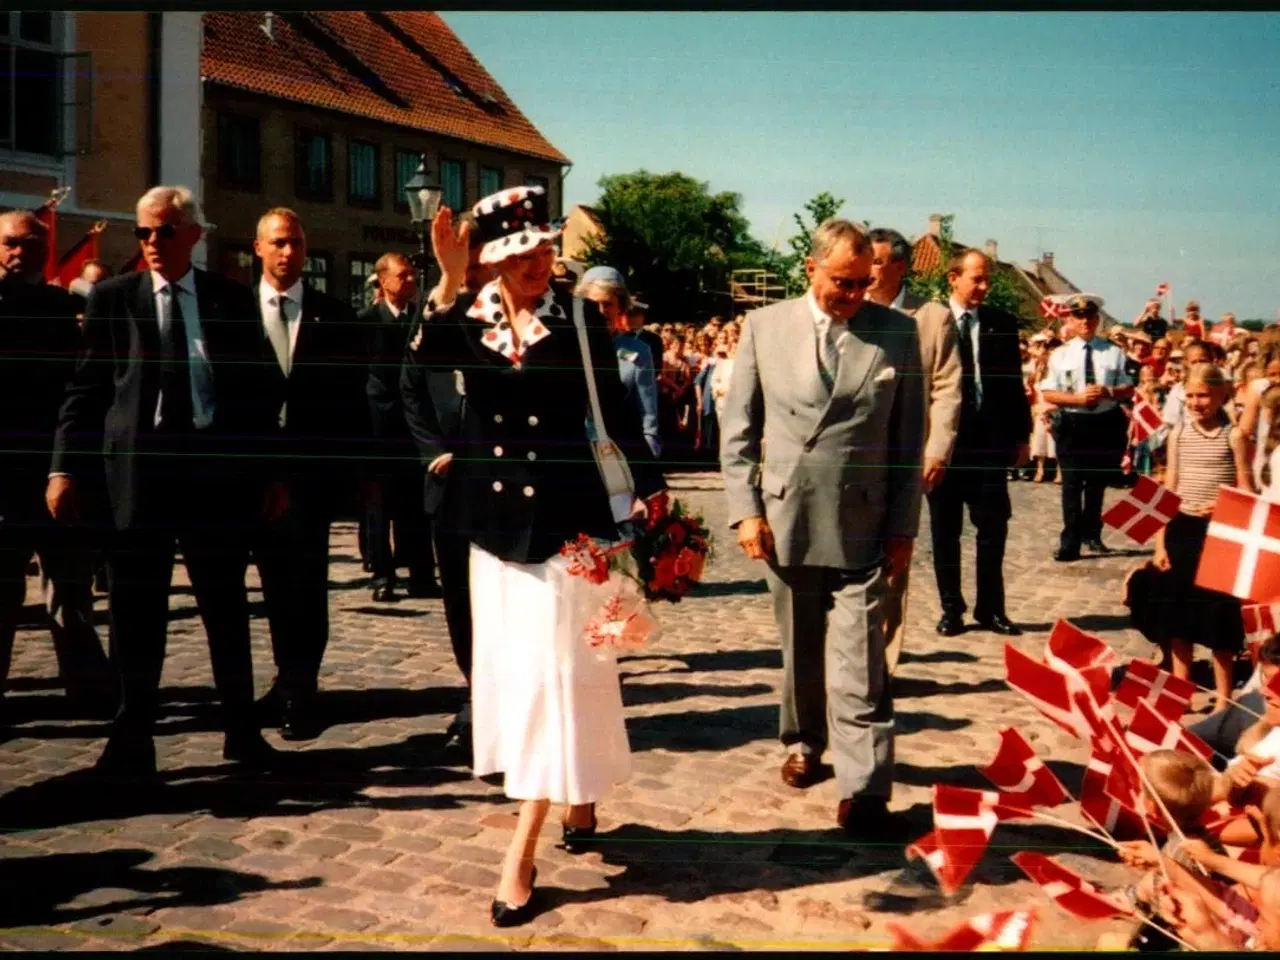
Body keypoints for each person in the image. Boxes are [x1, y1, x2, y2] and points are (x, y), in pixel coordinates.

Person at [411, 185, 665, 926]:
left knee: (564, 675)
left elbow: (614, 415)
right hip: (492, 533)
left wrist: (650, 490)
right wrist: (450, 282)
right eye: (520, 251)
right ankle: (576, 799)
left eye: (544, 247)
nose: (536, 262)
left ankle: (518, 853)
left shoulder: (582, 321)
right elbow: (424, 362)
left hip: (569, 528)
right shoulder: (466, 319)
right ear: (492, 258)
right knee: (529, 681)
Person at [47, 186, 282, 776]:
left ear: (195, 235)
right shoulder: (113, 299)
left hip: (212, 474)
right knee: (136, 611)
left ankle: (242, 733)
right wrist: (61, 467)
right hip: (140, 475)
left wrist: (272, 470)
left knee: (225, 607)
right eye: (144, 232)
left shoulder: (231, 300)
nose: (152, 243)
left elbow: (258, 395)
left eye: (165, 232)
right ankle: (132, 739)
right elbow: (85, 390)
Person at [720, 218, 925, 835]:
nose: (855, 295)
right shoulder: (765, 326)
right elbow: (738, 432)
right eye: (843, 282)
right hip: (785, 517)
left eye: (865, 283)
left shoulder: (898, 334)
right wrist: (746, 509)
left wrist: (902, 529)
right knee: (800, 644)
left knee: (861, 657)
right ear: (810, 269)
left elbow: (907, 443)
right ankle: (804, 741)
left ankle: (864, 787)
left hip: (862, 519)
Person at [250, 208, 372, 742]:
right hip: (248, 474)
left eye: (296, 243)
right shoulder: (232, 312)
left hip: (309, 475)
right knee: (269, 587)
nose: (287, 252)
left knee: (304, 584)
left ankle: (302, 687)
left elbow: (353, 401)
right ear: (258, 248)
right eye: (277, 242)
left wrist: (357, 474)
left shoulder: (334, 315)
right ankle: (277, 681)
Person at [0, 210, 112, 724]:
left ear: (46, 250)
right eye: (7, 244)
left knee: (69, 590)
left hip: (54, 473)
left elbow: (81, 393)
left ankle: (88, 687)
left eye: (27, 244)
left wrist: (68, 468)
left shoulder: (64, 311)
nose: (16, 252)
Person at [401, 210, 496, 761]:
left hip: (497, 480)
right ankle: (472, 691)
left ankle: (496, 700)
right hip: (447, 482)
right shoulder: (437, 308)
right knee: (459, 600)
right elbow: (410, 385)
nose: (475, 265)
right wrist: (432, 451)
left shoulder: (506, 311)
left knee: (500, 599)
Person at [866, 226, 961, 675]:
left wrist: (937, 449)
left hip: (903, 458)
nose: (868, 269)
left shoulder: (931, 318)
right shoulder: (850, 309)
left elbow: (947, 387)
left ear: (901, 267)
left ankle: (881, 667)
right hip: (850, 456)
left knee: (893, 561)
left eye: (878, 261)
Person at [1127, 363, 1249, 711]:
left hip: (1217, 533)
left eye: (1204, 395)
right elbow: (1170, 486)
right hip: (1182, 528)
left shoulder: (1234, 436)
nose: (1197, 403)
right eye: (1191, 396)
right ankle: (1181, 691)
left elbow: (1247, 486)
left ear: (1222, 395)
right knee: (1178, 618)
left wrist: (1227, 504)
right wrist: (1161, 542)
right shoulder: (1179, 433)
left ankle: (1225, 700)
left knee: (1217, 616)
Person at [927, 251, 1032, 638]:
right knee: (945, 531)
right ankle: (951, 608)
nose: (984, 288)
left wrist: (1021, 436)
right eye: (977, 279)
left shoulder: (1000, 324)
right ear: (953, 278)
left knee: (992, 529)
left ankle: (992, 607)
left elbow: (1013, 386)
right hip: (946, 445)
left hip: (988, 444)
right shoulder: (931, 322)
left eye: (987, 280)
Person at [362, 253, 438, 603]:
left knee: (417, 505)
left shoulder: (419, 321)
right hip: (379, 428)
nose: (411, 281)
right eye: (403, 276)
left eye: (413, 276)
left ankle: (422, 575)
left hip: (414, 426)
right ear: (384, 281)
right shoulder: (366, 322)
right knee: (379, 505)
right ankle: (382, 575)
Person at [1039, 294, 1133, 561]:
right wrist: (1078, 399)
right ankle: (1070, 541)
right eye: (1078, 316)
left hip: (1103, 422)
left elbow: (1128, 388)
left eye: (1090, 316)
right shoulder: (1060, 354)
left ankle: (1092, 534)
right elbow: (1048, 392)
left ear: (1097, 319)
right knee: (1071, 483)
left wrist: (1108, 391)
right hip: (1073, 423)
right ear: (1070, 319)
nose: (1085, 321)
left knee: (1096, 483)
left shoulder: (1113, 352)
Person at [575, 266, 662, 458]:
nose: (601, 311)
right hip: (574, 454)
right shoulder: (568, 347)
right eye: (593, 303)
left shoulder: (639, 352)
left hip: (617, 454)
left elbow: (648, 416)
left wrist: (648, 460)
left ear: (621, 306)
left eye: (608, 304)